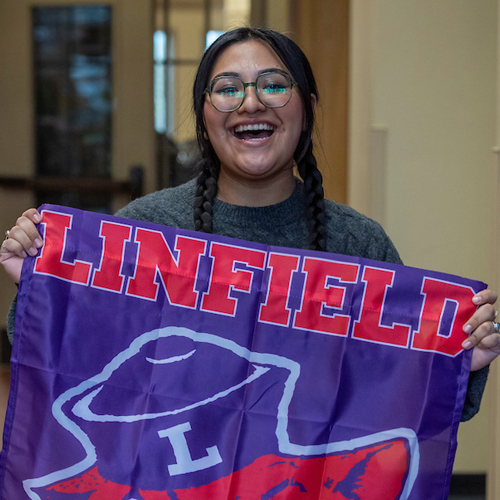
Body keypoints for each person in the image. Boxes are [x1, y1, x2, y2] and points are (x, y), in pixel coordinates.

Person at [0, 27, 499, 423]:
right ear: (205, 116)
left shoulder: (358, 243)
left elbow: (394, 400)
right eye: (228, 89)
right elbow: (68, 365)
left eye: (274, 85)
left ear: (306, 108)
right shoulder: (147, 229)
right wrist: (41, 284)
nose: (251, 102)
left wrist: (459, 361)